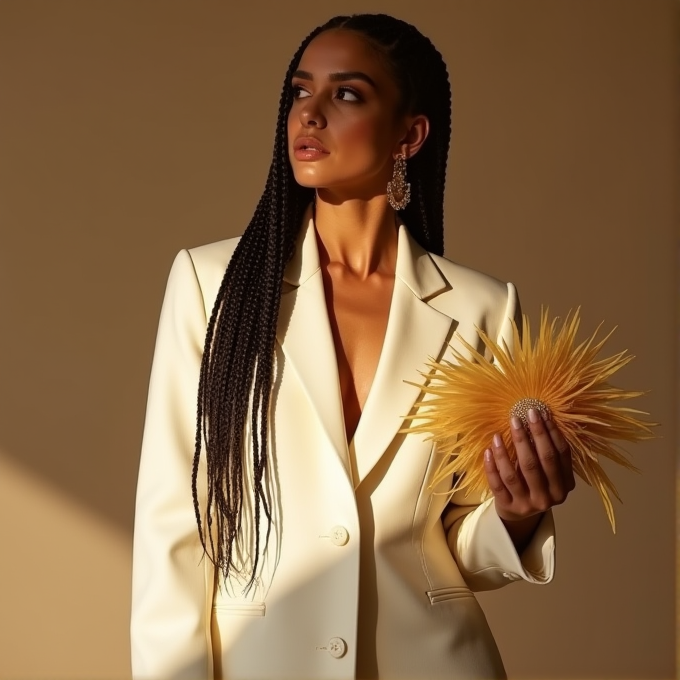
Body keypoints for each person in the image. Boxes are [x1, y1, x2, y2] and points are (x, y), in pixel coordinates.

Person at [131, 13, 575, 680]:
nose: (308, 114)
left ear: (410, 134)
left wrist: (517, 513)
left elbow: (453, 544)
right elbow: (175, 526)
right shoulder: (211, 285)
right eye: (298, 91)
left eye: (345, 94)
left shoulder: (483, 308)